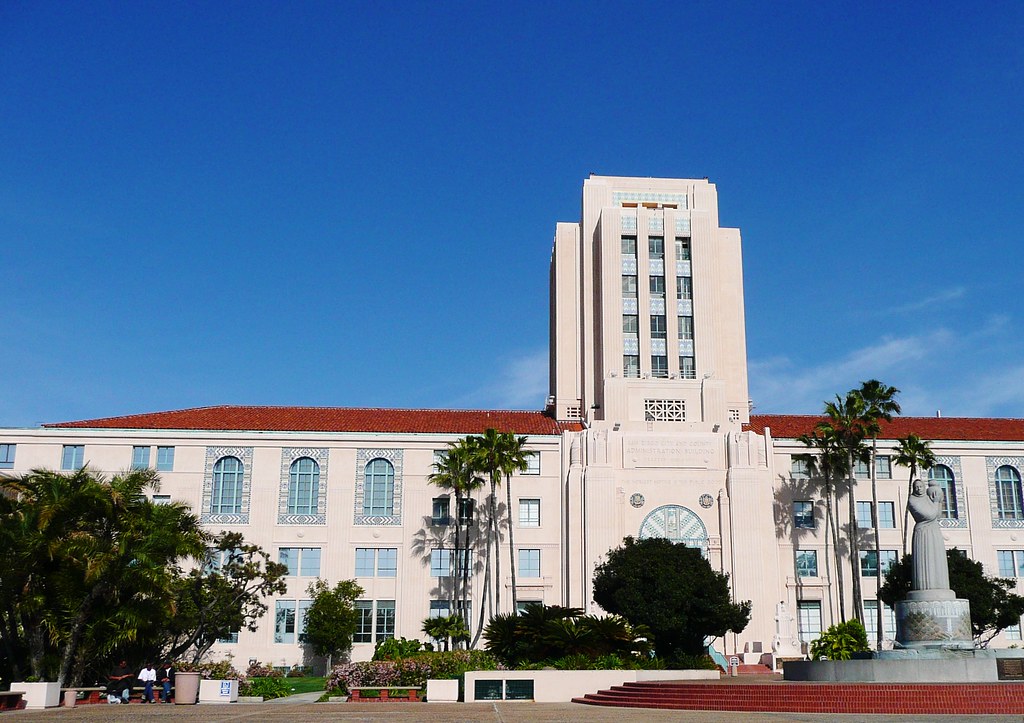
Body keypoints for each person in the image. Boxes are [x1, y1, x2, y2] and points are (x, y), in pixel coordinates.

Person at [908, 478, 950, 591]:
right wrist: (936, 502)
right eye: (916, 487)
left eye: (921, 486)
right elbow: (929, 515)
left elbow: (938, 516)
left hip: (935, 531)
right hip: (923, 533)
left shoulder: (928, 498)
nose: (919, 489)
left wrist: (940, 501)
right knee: (925, 564)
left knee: (938, 560)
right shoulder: (912, 501)